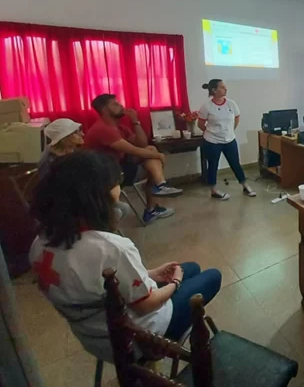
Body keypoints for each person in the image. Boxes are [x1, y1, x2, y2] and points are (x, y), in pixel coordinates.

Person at [28, 151, 222, 363]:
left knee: (191, 267)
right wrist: (175, 282)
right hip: (140, 336)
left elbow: (99, 280)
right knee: (212, 275)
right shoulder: (111, 247)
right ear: (99, 195)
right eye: (115, 182)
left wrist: (151, 274)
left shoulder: (39, 246)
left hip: (95, 336)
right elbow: (146, 305)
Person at [85, 94, 181, 224]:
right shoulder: (103, 129)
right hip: (108, 176)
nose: (121, 106)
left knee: (150, 151)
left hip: (120, 166)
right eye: (115, 104)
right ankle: (154, 200)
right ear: (104, 110)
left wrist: (135, 121)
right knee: (152, 157)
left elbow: (141, 143)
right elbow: (134, 150)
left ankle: (159, 187)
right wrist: (159, 155)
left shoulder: (119, 127)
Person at [38, 118, 131, 224]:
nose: (82, 134)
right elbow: (63, 191)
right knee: (117, 210)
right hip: (66, 206)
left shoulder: (70, 151)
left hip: (82, 197)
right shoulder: (52, 162)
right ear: (63, 138)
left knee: (120, 207)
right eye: (76, 133)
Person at [197, 79, 256, 200]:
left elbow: (236, 118)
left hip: (229, 140)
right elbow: (200, 125)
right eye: (222, 87)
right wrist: (213, 133)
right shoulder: (206, 106)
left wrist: (230, 131)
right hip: (212, 141)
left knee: (235, 163)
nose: (226, 89)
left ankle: (245, 185)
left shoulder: (231, 104)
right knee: (213, 165)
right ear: (214, 90)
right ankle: (213, 190)